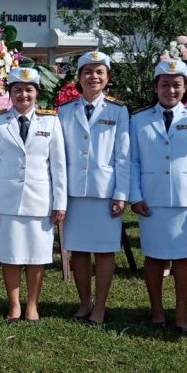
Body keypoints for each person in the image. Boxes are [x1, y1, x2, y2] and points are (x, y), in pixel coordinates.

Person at [129, 59, 187, 335]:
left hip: (186, 201)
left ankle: (181, 314)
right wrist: (135, 195)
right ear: (156, 87)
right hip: (152, 200)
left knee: (183, 260)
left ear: (185, 87)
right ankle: (156, 311)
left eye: (177, 85)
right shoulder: (139, 119)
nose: (171, 90)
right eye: (165, 85)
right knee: (153, 258)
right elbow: (132, 161)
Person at [0, 67, 66, 323]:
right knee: (10, 255)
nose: (23, 95)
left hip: (39, 200)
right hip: (6, 200)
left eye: (29, 90)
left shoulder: (50, 121)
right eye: (17, 90)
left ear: (37, 92)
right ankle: (15, 304)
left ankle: (32, 305)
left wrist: (60, 202)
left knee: (37, 256)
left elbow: (58, 166)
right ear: (9, 93)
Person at [57, 50, 130, 326]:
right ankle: (84, 302)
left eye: (99, 72)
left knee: (104, 250)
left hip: (105, 191)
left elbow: (123, 156)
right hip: (74, 191)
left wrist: (121, 193)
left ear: (107, 77)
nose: (93, 77)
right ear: (79, 77)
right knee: (77, 250)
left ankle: (100, 305)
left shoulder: (118, 111)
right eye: (87, 72)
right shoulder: (65, 111)